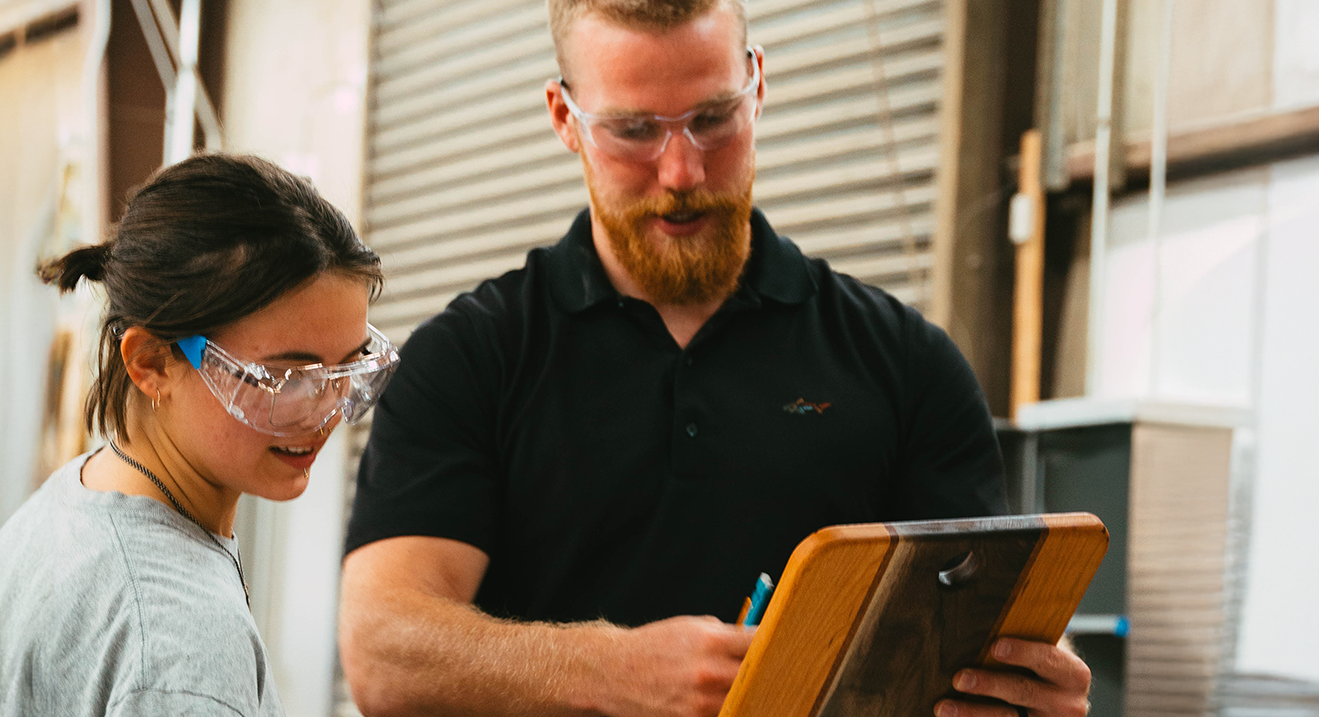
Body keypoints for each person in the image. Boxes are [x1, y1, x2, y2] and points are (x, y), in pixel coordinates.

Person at [337, 1, 1093, 716]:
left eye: (712, 119)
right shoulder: (467, 359)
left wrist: (1023, 676)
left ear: (756, 86)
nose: (681, 172)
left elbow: (980, 624)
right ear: (565, 118)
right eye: (633, 130)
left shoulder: (905, 363)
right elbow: (382, 652)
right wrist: (610, 670)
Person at [0, 154, 398, 716]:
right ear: (152, 361)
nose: (323, 411)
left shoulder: (61, 516)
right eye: (285, 378)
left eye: (347, 371)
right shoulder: (177, 638)